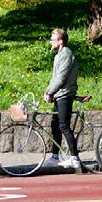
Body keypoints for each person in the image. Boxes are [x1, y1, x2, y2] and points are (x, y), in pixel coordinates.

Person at [43, 28, 80, 170]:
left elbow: (61, 77)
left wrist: (50, 92)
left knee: (64, 125)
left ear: (61, 41)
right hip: (59, 94)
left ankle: (75, 158)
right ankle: (54, 156)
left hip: (65, 94)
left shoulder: (66, 54)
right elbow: (55, 78)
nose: (50, 42)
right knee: (55, 125)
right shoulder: (58, 56)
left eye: (53, 39)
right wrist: (49, 92)